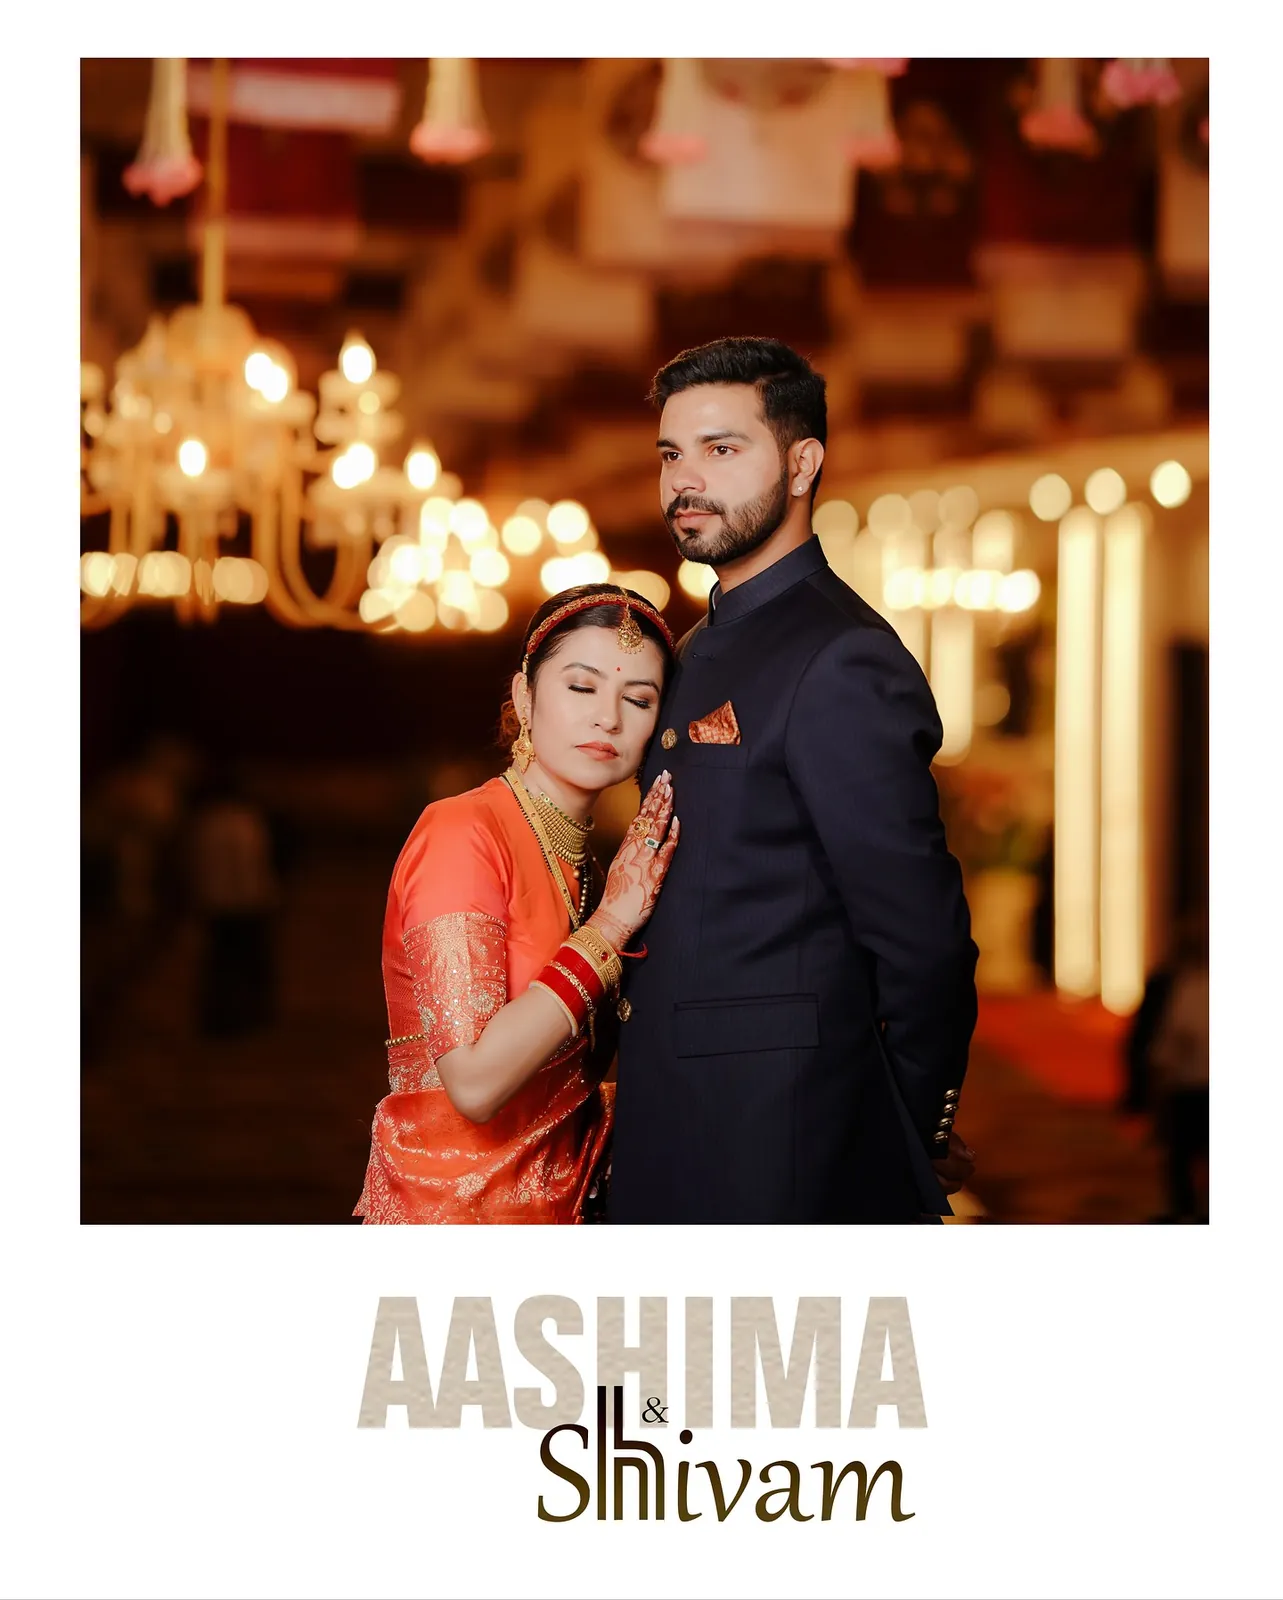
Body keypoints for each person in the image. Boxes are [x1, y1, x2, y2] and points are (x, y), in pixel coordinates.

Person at [609, 337, 979, 1224]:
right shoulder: (690, 648)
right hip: (673, 1113)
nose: (683, 481)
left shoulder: (842, 656)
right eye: (670, 454)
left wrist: (909, 1122)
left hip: (783, 1139)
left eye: (720, 449)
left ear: (802, 460)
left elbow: (921, 942)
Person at [355, 583, 680, 1224]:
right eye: (581, 688)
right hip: (455, 1219)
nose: (608, 719)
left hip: (563, 1212)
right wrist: (610, 927)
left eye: (638, 699)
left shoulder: (590, 867)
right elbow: (474, 1083)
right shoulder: (461, 832)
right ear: (524, 697)